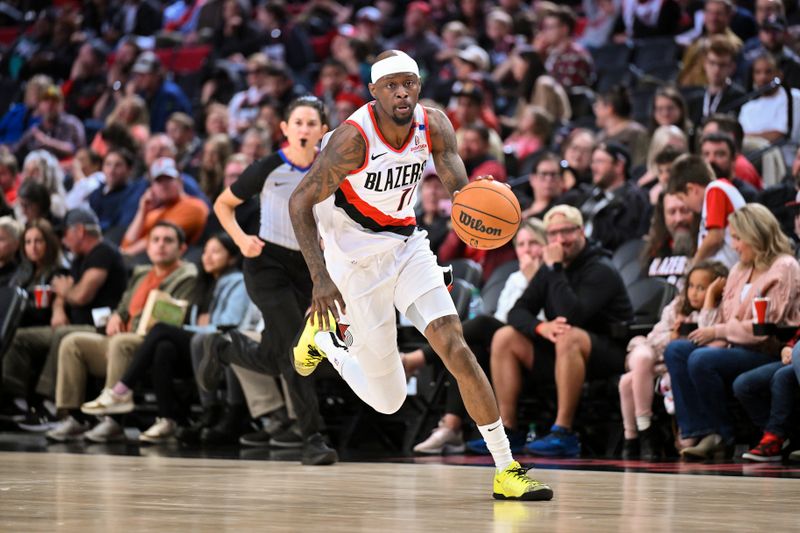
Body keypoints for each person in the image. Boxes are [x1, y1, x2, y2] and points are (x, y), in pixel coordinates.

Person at [287, 51, 553, 500]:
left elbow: (461, 196)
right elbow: (298, 202)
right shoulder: (352, 140)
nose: (402, 92)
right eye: (391, 85)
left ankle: (506, 468)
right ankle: (327, 341)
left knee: (455, 344)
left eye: (409, 83)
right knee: (389, 400)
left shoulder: (435, 125)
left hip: (407, 243)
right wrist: (320, 278)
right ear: (374, 92)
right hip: (353, 257)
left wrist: (485, 204)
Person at [207, 96, 338, 466]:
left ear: (322, 131)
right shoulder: (268, 166)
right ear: (284, 128)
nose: (304, 129)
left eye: (312, 123)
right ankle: (313, 437)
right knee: (297, 347)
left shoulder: (330, 171)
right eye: (297, 122)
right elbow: (222, 204)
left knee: (278, 352)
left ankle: (224, 350)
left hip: (309, 269)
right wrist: (241, 239)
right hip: (266, 265)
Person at [484, 205, 633, 457]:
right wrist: (540, 326)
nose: (560, 240)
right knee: (504, 336)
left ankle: (563, 432)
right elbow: (517, 312)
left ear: (582, 232)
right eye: (553, 234)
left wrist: (554, 270)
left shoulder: (601, 269)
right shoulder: (552, 268)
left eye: (567, 232)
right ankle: (508, 431)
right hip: (563, 352)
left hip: (608, 352)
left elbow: (573, 315)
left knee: (568, 335)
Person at [79, 233, 250, 444]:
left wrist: (189, 327)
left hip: (220, 344)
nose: (207, 257)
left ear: (232, 257)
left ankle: (121, 390)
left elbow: (227, 324)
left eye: (215, 252)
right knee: (164, 348)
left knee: (161, 329)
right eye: (205, 251)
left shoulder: (236, 282)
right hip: (200, 347)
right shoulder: (205, 283)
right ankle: (170, 418)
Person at [664, 204, 800, 459]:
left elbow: (764, 328)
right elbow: (717, 322)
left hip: (769, 350)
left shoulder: (785, 266)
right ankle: (700, 430)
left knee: (701, 358)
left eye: (737, 238)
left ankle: (724, 434)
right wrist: (712, 314)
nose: (734, 245)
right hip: (733, 347)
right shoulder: (739, 269)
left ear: (755, 235)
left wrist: (719, 330)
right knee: (677, 350)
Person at [404, 219, 548, 454]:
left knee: (481, 324)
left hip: (538, 348)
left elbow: (536, 319)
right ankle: (452, 427)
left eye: (533, 243)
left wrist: (534, 281)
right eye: (521, 244)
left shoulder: (551, 274)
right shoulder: (514, 278)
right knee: (466, 351)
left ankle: (413, 361)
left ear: (545, 245)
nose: (527, 250)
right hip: (505, 350)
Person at [47, 221, 197, 442]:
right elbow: (124, 305)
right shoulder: (141, 273)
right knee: (73, 342)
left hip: (147, 341)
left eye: (168, 240)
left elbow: (173, 317)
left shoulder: (187, 275)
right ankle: (75, 418)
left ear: (181, 248)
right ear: (147, 246)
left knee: (120, 343)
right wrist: (117, 315)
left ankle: (113, 420)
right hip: (121, 337)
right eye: (155, 240)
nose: (161, 245)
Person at [2, 209, 126, 426]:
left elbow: (79, 295)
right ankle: (16, 403)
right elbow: (64, 291)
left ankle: (51, 404)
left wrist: (64, 292)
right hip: (73, 325)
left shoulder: (103, 252)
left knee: (62, 334)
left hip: (99, 327)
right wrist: (59, 306)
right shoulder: (80, 258)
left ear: (79, 230)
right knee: (20, 337)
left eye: (66, 233)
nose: (64, 239)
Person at [619, 260, 728, 460]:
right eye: (692, 287)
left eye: (702, 288)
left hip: (675, 367)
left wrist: (709, 302)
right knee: (638, 363)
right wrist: (671, 336)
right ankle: (639, 433)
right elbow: (653, 339)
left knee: (628, 381)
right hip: (654, 359)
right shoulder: (676, 307)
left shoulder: (720, 308)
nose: (694, 293)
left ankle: (637, 437)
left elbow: (708, 333)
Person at [666, 152, 745, 268]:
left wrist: (694, 265)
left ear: (691, 189)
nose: (686, 206)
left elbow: (715, 238)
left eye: (682, 198)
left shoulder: (715, 189)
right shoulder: (713, 193)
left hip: (732, 269)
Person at [733, 337, 800, 461]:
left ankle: (777, 435)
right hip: (791, 356)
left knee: (782, 375)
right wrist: (785, 347)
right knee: (744, 385)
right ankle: (777, 437)